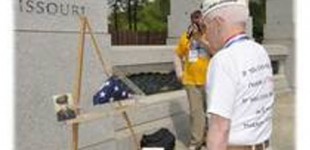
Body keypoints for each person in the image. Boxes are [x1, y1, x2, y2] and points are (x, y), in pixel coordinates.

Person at [201, 0, 274, 150]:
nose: (205, 35)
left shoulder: (223, 60)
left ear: (217, 23)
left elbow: (220, 128)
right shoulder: (260, 51)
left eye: (205, 27)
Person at [173, 10, 210, 150]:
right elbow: (177, 55)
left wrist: (200, 39)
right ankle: (196, 143)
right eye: (194, 19)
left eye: (199, 19)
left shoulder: (211, 35)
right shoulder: (186, 37)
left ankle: (209, 138)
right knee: (196, 114)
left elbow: (215, 51)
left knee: (211, 112)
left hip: (210, 80)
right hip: (191, 81)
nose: (197, 22)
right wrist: (179, 73)